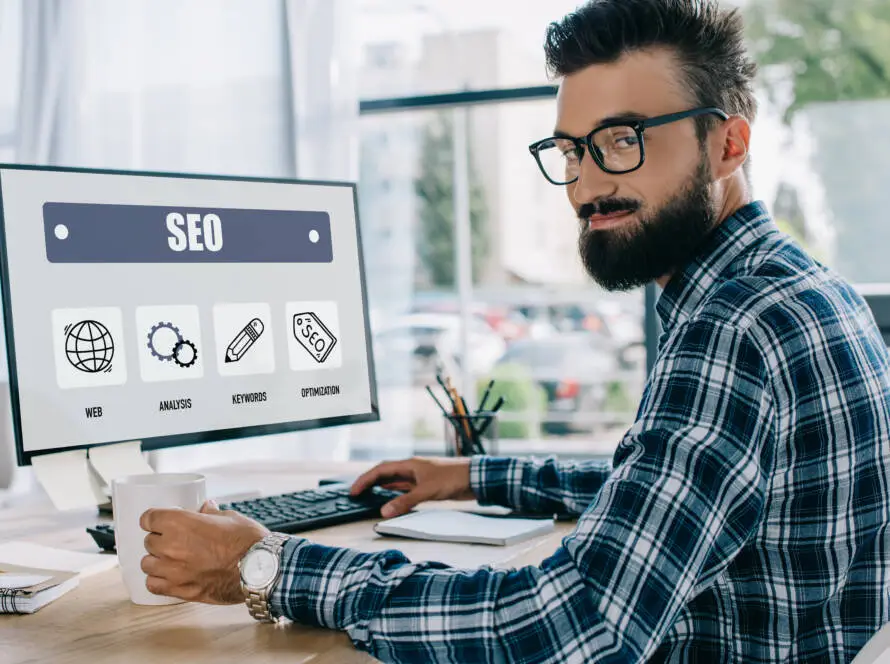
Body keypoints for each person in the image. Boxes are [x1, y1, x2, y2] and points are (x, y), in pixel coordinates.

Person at [137, 1, 890, 661]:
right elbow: (674, 492)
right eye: (570, 150)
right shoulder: (808, 291)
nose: (589, 184)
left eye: (623, 139)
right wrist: (472, 477)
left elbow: (572, 625)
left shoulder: (733, 326)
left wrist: (269, 566)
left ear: (727, 144)